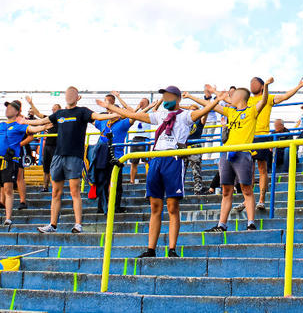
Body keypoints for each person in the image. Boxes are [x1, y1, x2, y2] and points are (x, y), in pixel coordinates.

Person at [97, 86, 225, 257]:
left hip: (173, 158)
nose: (166, 99)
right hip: (156, 158)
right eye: (164, 96)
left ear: (178, 98)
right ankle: (151, 249)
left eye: (169, 96)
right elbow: (135, 115)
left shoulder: (185, 116)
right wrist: (110, 107)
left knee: (172, 206)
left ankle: (172, 249)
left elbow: (203, 111)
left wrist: (217, 100)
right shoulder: (160, 115)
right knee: (155, 206)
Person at [23, 87, 117, 234]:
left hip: (74, 156)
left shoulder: (82, 111)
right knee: (55, 192)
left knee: (75, 191)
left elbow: (98, 117)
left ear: (78, 97)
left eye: (73, 93)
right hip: (58, 156)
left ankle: (78, 224)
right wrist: (24, 121)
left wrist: (116, 113)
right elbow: (42, 120)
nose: (70, 95)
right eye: (68, 93)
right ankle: (52, 225)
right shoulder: (59, 113)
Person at [188, 86, 274, 233]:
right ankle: (221, 225)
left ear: (240, 97)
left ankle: (251, 224)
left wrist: (265, 86)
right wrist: (190, 96)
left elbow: (264, 100)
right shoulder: (230, 111)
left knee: (247, 189)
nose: (230, 98)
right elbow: (208, 105)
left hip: (243, 153)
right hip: (226, 153)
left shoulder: (251, 111)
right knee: (226, 191)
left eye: (232, 96)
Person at [247, 76, 303, 211]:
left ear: (262, 86)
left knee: (262, 169)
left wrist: (298, 86)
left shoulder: (267, 98)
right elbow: (230, 101)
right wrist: (216, 94)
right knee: (249, 171)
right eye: (251, 83)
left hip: (262, 136)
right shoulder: (247, 99)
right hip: (248, 137)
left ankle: (261, 200)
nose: (252, 85)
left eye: (255, 83)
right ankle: (247, 201)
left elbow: (285, 97)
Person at [1, 100, 49, 226]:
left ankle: (10, 215)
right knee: (2, 186)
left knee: (11, 185)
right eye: (7, 107)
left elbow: (33, 129)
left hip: (11, 159)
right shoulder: (2, 125)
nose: (8, 109)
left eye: (11, 108)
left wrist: (44, 127)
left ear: (17, 111)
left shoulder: (20, 124)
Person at [39, 104, 60, 192]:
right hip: (48, 146)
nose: (53, 110)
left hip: (56, 146)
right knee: (46, 168)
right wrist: (31, 103)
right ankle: (45, 187)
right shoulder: (50, 119)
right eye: (52, 109)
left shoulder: (62, 120)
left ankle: (56, 188)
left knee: (55, 169)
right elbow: (39, 115)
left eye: (55, 109)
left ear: (59, 109)